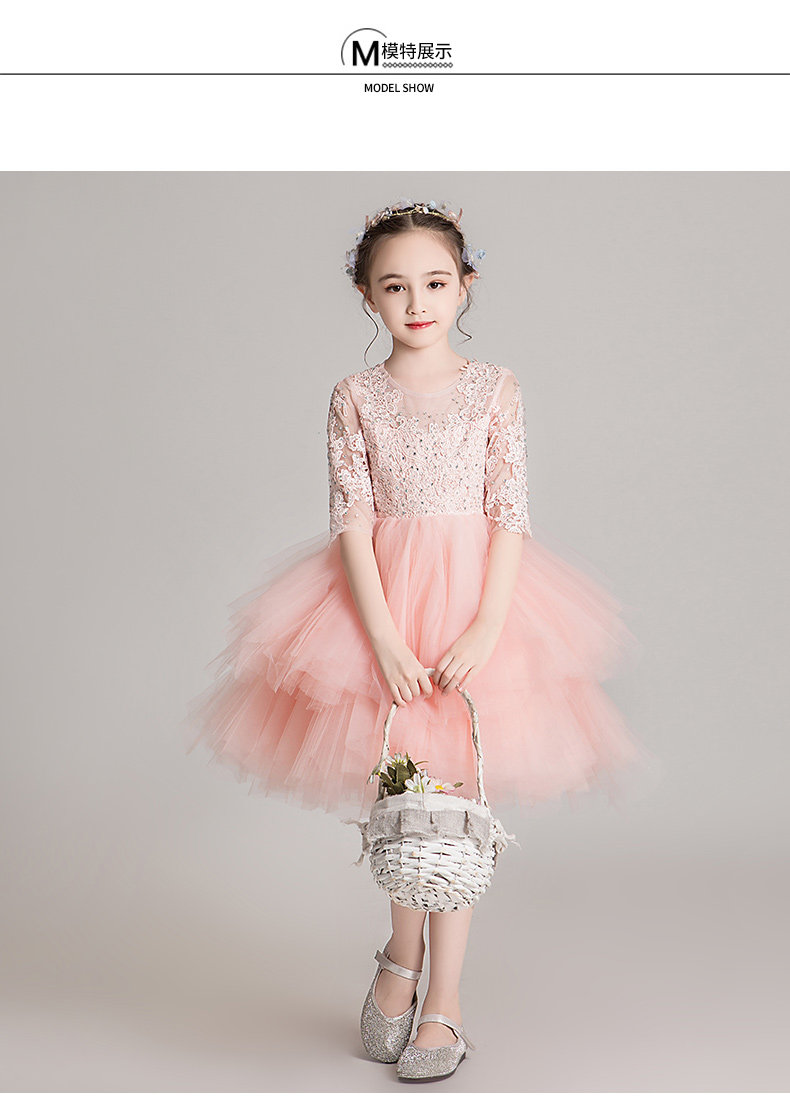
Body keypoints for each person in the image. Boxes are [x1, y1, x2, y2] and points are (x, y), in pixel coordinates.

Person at [184, 197, 657, 1081]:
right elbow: (351, 520)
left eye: (435, 283)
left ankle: (445, 999)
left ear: (466, 285)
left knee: (458, 802)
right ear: (366, 296)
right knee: (399, 789)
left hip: (479, 603)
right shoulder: (354, 396)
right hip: (379, 605)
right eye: (395, 286)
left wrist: (487, 624)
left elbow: (509, 513)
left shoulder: (496, 388)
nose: (417, 302)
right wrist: (382, 637)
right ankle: (399, 958)